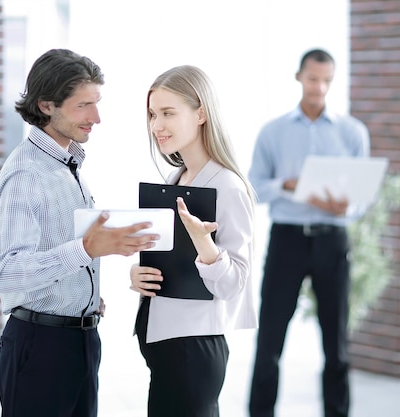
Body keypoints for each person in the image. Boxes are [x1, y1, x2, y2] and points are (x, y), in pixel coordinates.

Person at [0, 48, 159, 417]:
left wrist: (84, 295)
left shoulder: (67, 165)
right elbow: (7, 273)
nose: (96, 117)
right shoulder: (26, 175)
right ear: (47, 105)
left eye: (96, 103)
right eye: (83, 105)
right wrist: (85, 249)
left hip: (79, 340)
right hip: (41, 348)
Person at [129, 65, 258, 417]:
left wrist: (206, 245)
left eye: (168, 113)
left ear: (201, 113)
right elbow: (167, 259)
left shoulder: (227, 187)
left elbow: (234, 285)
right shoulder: (176, 180)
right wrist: (139, 275)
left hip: (193, 349)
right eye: (153, 114)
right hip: (165, 346)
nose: (157, 126)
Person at [247, 49, 370, 417]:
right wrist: (288, 185)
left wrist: (346, 208)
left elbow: (363, 197)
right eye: (313, 78)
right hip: (287, 239)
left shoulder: (352, 133)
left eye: (326, 80)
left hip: (332, 241)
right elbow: (254, 187)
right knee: (270, 337)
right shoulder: (273, 131)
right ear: (299, 77)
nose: (319, 87)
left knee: (336, 343)